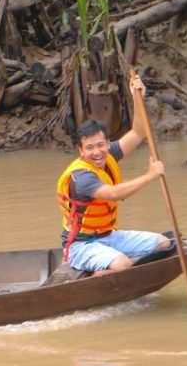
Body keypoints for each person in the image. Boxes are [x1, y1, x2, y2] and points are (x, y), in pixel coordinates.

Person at [56, 69, 172, 275]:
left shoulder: (109, 154)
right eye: (89, 148)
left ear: (108, 144)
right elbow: (113, 194)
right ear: (81, 151)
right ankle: (91, 279)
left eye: (100, 145)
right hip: (80, 245)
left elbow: (138, 132)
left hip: (108, 236)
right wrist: (150, 175)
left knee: (164, 244)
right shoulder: (81, 177)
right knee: (123, 266)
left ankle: (114, 269)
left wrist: (137, 97)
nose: (97, 152)